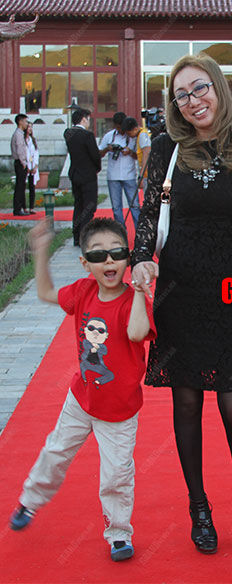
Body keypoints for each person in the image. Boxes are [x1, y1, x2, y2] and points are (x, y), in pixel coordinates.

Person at [130, 53, 232, 554]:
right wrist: (141, 258)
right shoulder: (166, 146)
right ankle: (198, 505)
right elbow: (149, 211)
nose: (192, 101)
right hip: (180, 287)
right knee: (187, 400)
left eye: (199, 88)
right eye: (181, 95)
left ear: (219, 87)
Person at [9, 217, 155, 562]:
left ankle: (119, 533)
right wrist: (41, 251)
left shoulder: (132, 301)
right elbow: (45, 293)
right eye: (98, 255)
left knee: (117, 474)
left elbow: (137, 333)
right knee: (55, 452)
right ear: (85, 262)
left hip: (119, 411)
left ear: (129, 257)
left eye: (117, 253)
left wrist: (139, 290)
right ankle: (30, 501)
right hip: (81, 400)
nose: (109, 261)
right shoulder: (83, 292)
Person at [64, 108, 102, 246]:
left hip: (75, 174)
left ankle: (76, 236)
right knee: (89, 207)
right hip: (88, 175)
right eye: (88, 119)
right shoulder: (87, 136)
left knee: (78, 205)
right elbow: (95, 155)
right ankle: (84, 237)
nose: (89, 122)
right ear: (84, 119)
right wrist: (97, 168)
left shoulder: (68, 133)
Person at [99, 112, 140, 229]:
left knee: (135, 205)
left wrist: (130, 152)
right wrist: (108, 149)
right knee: (116, 207)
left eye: (121, 127)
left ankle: (139, 231)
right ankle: (121, 231)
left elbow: (139, 155)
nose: (120, 129)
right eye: (117, 127)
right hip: (113, 176)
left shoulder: (132, 136)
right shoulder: (109, 136)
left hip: (129, 175)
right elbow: (99, 153)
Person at [122, 116, 151, 191]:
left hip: (148, 174)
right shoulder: (139, 136)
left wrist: (141, 176)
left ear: (135, 129)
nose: (129, 136)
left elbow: (146, 154)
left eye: (129, 133)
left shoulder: (143, 135)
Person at [11, 113, 29, 216]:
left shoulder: (20, 133)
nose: (26, 124)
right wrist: (23, 162)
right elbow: (20, 150)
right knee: (20, 186)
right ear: (20, 122)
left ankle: (20, 207)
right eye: (25, 121)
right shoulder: (18, 134)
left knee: (21, 186)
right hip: (20, 162)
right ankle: (17, 209)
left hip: (20, 162)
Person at [24, 122, 39, 215]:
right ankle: (24, 207)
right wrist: (27, 165)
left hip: (33, 165)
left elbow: (36, 153)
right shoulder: (23, 140)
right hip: (26, 165)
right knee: (23, 187)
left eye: (31, 127)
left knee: (32, 187)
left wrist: (35, 165)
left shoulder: (33, 140)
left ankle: (31, 207)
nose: (30, 129)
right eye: (28, 127)